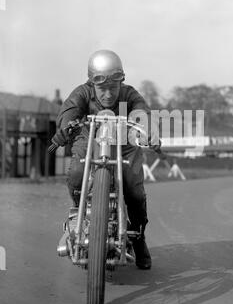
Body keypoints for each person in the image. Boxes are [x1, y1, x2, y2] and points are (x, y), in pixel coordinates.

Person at [50, 50, 161, 270]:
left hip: (124, 142)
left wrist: (149, 131)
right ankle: (77, 214)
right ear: (92, 83)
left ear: (121, 81)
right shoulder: (82, 93)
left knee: (134, 188)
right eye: (102, 88)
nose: (109, 94)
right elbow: (70, 110)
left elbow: (142, 111)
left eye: (114, 87)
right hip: (89, 138)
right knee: (75, 174)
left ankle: (138, 238)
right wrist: (65, 127)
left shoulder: (129, 94)